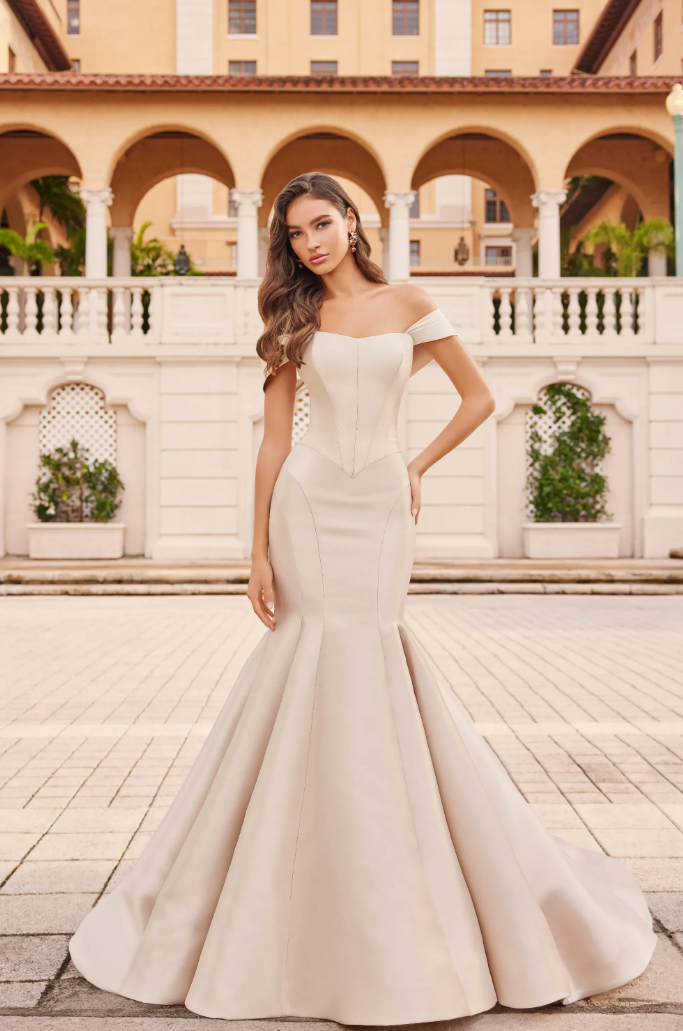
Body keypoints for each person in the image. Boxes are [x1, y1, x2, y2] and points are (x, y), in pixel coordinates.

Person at [69, 172, 656, 1024]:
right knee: (308, 656)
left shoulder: (409, 300)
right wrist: (257, 548)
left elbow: (478, 397)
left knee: (373, 654)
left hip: (380, 505)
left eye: (321, 223)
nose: (311, 242)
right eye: (296, 233)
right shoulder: (291, 321)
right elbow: (275, 443)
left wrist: (413, 464)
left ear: (352, 220)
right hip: (307, 505)